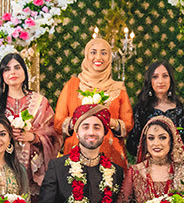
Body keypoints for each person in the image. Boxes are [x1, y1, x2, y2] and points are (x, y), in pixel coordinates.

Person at [0, 53, 62, 203]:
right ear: (2, 75)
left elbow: (54, 135)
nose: (13, 72)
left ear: (25, 72)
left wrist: (34, 137)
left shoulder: (40, 102)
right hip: (3, 167)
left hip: (33, 170)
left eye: (17, 67)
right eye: (7, 69)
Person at [54, 38, 134, 168]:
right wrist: (81, 120)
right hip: (76, 154)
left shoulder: (119, 89)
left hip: (111, 154)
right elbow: (58, 123)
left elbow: (128, 125)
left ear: (109, 57)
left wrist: (110, 122)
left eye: (104, 53)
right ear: (86, 55)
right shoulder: (72, 86)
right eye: (93, 52)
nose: (98, 57)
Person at [126, 60, 184, 167]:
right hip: (149, 169)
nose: (160, 81)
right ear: (149, 81)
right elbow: (132, 144)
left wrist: (175, 152)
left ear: (170, 80)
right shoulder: (141, 110)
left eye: (165, 76)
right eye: (155, 77)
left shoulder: (181, 110)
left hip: (177, 169)